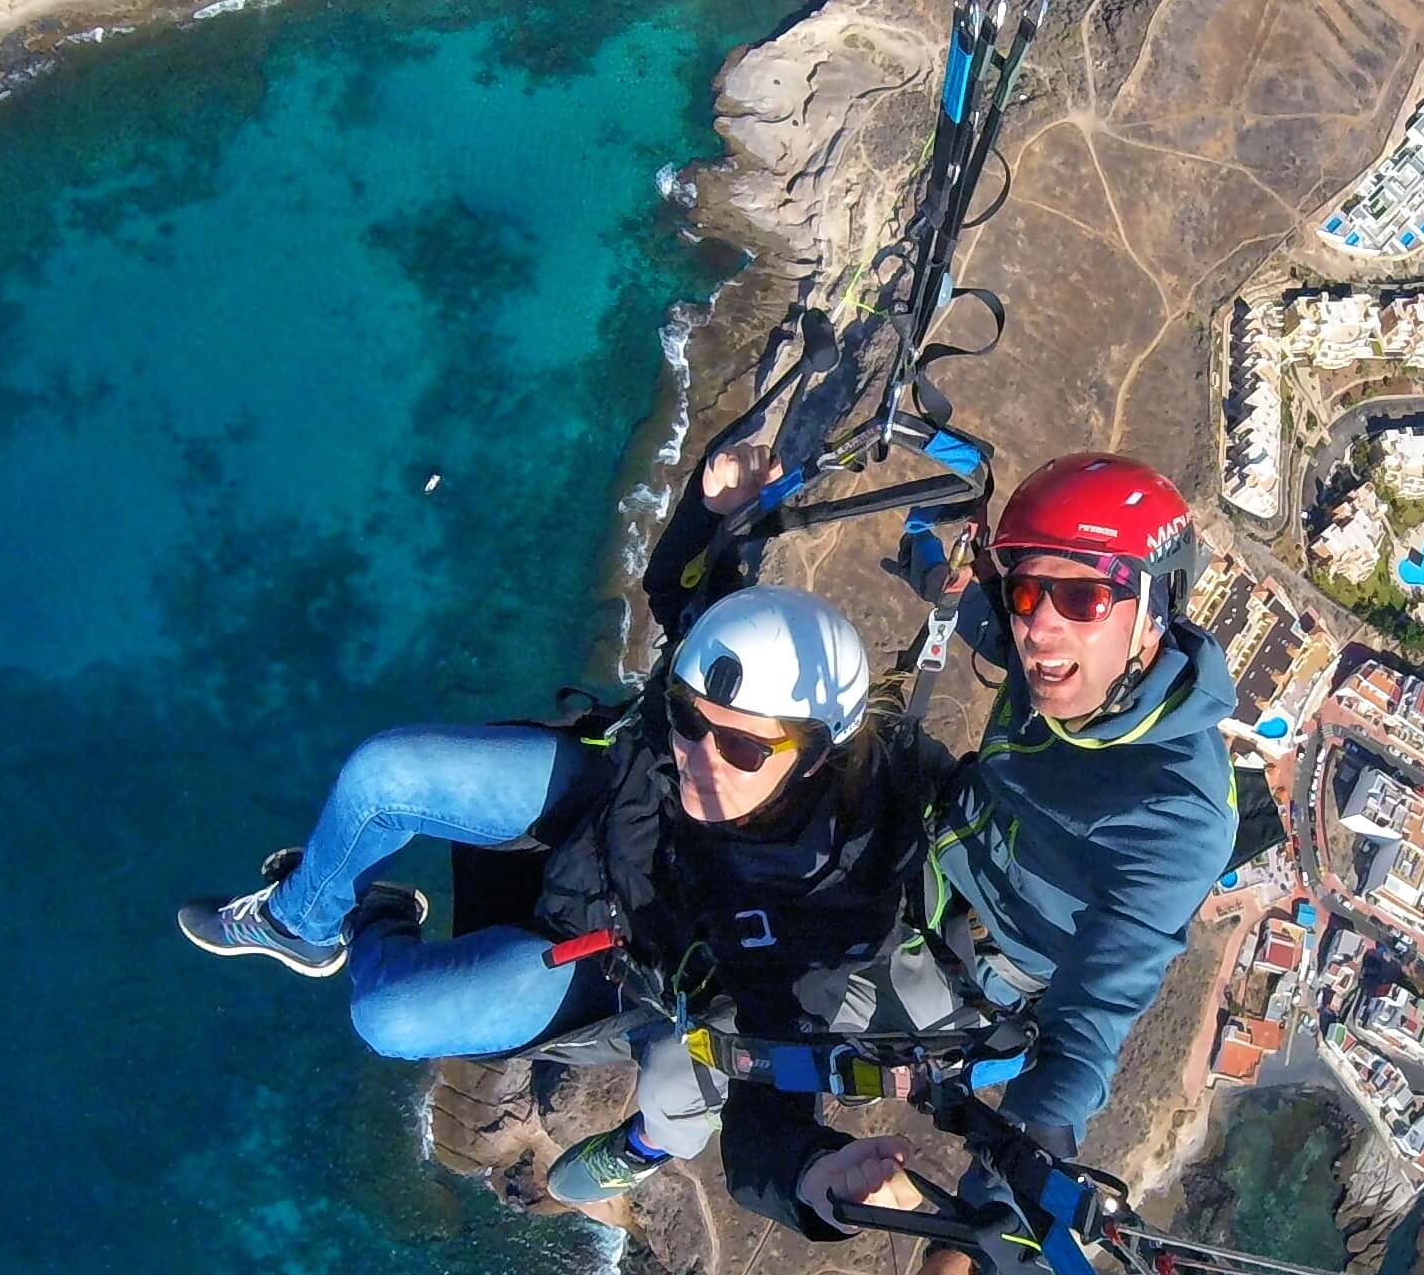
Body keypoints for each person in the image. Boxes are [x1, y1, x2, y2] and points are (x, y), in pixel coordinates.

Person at [179, 454, 936, 1205]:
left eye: (741, 745)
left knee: (387, 1015)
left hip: (605, 964)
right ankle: (301, 923)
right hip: (598, 807)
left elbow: (778, 1059)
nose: (700, 757)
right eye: (685, 719)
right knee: (385, 775)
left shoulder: (819, 905)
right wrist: (708, 510)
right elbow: (679, 590)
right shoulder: (718, 695)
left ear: (815, 755)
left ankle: (380, 917)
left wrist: (808, 1172)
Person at [734, 451, 1242, 1275]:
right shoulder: (1070, 659)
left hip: (963, 962)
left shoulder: (1181, 812)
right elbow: (979, 604)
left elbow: (1089, 1026)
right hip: (931, 822)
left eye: (1080, 596)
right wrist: (937, 560)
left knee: (773, 1000)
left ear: (1152, 611)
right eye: (1027, 590)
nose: (1039, 624)